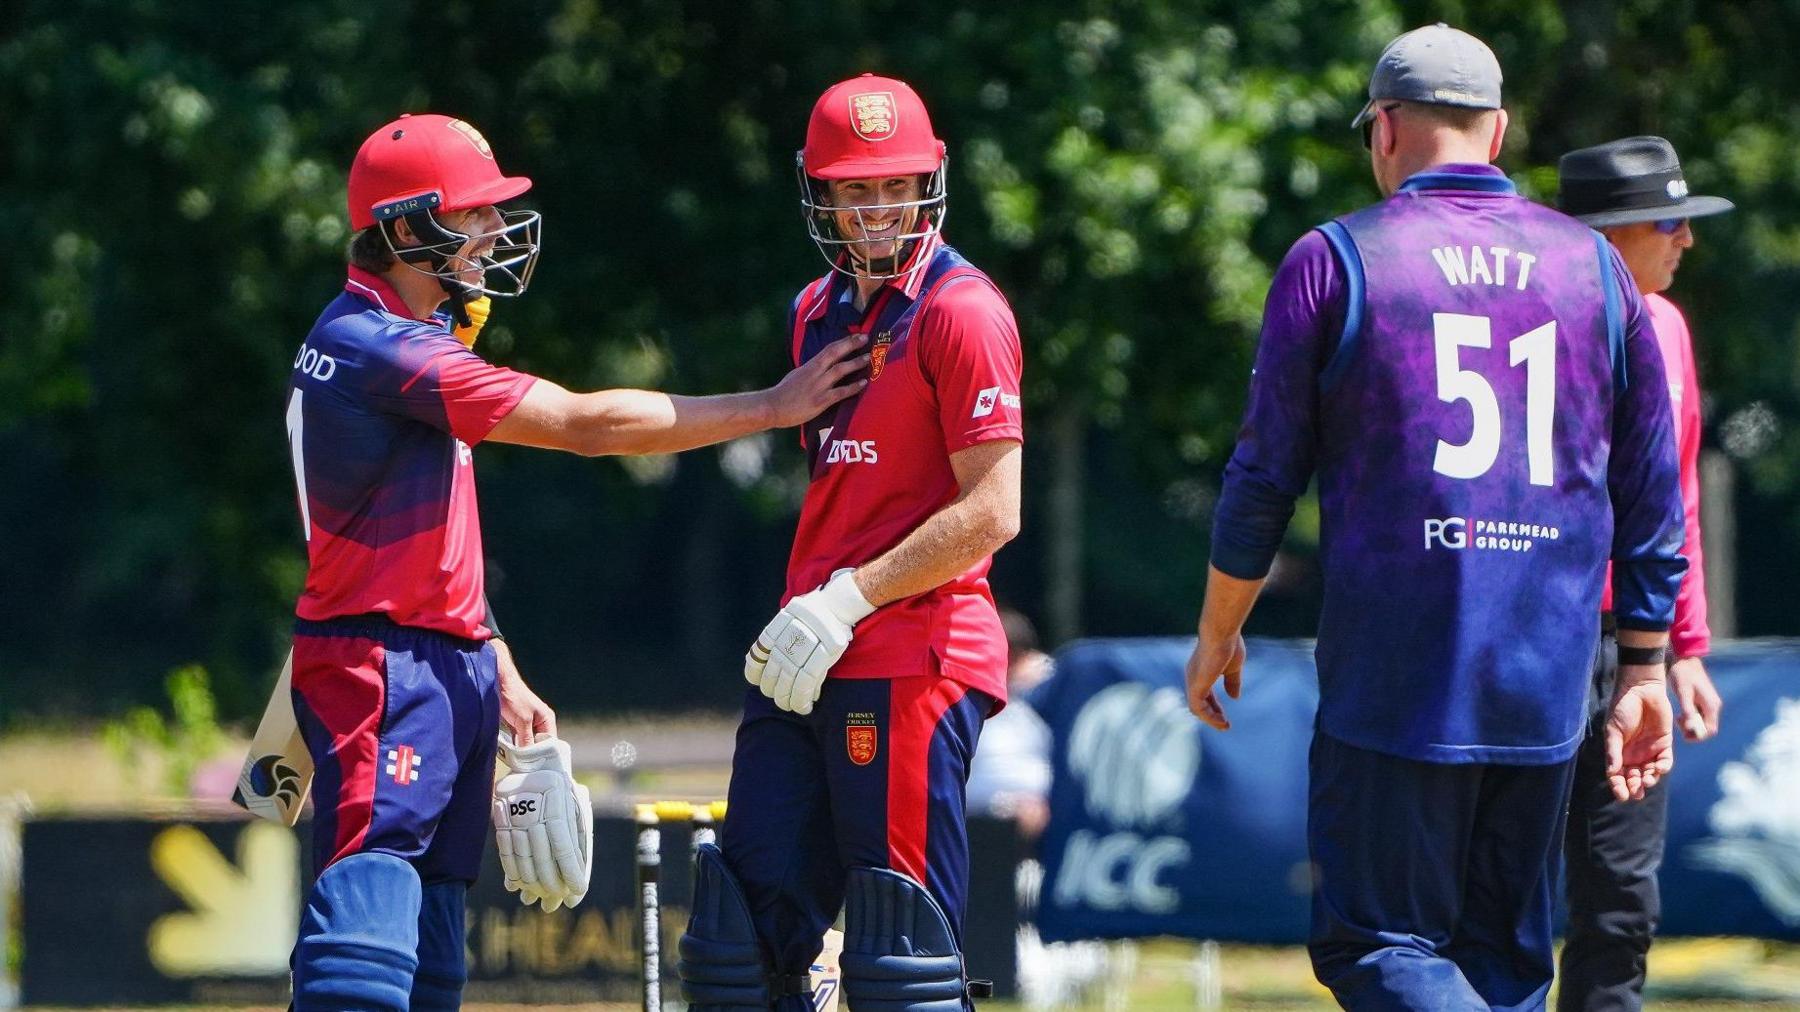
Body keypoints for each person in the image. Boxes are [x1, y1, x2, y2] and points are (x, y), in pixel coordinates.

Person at [284, 112, 865, 1011]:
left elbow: (433, 543)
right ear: (404, 231)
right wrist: (776, 404)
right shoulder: (379, 347)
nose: (490, 234)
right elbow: (591, 426)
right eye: (471, 214)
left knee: (434, 942)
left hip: (443, 659)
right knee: (367, 925)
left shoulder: (410, 341)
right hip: (382, 665)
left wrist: (493, 662)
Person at [1181, 25, 1688, 1012]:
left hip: (1397, 679)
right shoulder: (1595, 267)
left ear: (1384, 129)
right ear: (1496, 132)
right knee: (1502, 966)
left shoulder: (1337, 258)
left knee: (1377, 943)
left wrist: (1217, 631)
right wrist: (1645, 665)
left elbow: (1261, 478)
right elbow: (1652, 488)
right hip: (1545, 686)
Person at [677, 74, 1024, 1012]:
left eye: (895, 185)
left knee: (898, 957)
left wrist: (848, 600)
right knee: (734, 949)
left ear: (931, 182)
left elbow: (993, 510)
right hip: (802, 655)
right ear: (820, 193)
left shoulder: (963, 312)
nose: (876, 209)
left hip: (912, 654)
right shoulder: (812, 311)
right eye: (854, 189)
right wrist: (818, 612)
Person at [1555, 135, 1732, 1012]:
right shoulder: (1534, 314)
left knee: (1622, 901)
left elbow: (1680, 493)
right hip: (1533, 637)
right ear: (1611, 232)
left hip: (1638, 647)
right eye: (1670, 221)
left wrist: (1683, 647)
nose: (1687, 241)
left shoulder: (1667, 325)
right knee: (1500, 893)